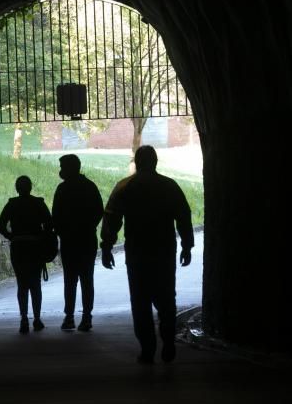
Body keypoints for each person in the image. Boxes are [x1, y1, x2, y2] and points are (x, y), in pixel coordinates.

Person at [101, 145, 194, 363]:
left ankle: (147, 348)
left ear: (136, 161)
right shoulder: (169, 186)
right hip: (164, 251)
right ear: (155, 161)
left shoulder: (125, 186)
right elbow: (183, 215)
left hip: (137, 252)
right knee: (166, 298)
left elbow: (112, 217)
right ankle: (168, 342)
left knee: (140, 301)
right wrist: (187, 245)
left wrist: (106, 246)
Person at [52, 153, 104, 332]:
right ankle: (87, 317)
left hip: (69, 241)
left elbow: (55, 215)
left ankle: (69, 317)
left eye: (62, 167)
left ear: (69, 168)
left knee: (70, 280)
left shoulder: (62, 189)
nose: (60, 171)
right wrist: (89, 227)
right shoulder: (90, 187)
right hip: (87, 239)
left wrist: (61, 232)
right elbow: (99, 211)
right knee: (87, 279)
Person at [0, 175, 53, 334]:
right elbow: (49, 224)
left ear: (17, 188)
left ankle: (23, 319)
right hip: (35, 247)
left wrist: (12, 237)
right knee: (35, 284)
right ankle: (37, 319)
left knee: (22, 284)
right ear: (30, 187)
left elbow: (1, 225)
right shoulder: (39, 203)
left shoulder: (11, 204)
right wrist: (41, 238)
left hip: (18, 247)